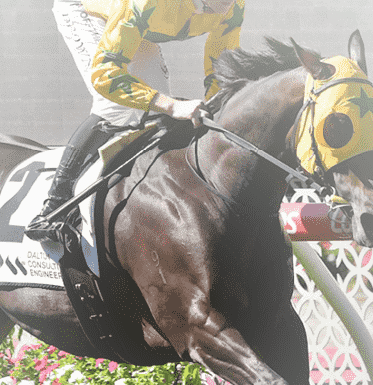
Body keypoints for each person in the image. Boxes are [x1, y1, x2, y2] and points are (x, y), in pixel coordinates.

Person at [25, 0, 246, 243]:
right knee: (116, 105)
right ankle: (53, 208)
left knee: (154, 111)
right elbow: (106, 75)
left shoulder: (234, 6)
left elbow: (221, 67)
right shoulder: (147, 3)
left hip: (134, 18)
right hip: (86, 6)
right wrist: (172, 105)